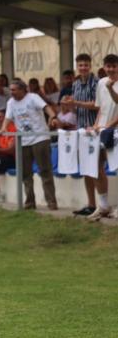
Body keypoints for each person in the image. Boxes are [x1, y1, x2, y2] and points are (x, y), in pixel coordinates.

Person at [0, 78, 59, 210]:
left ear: (22, 89)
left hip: (40, 138)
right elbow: (8, 118)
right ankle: (30, 202)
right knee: (25, 173)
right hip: (23, 140)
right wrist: (4, 127)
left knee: (45, 171)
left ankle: (51, 202)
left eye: (14, 90)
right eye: (10, 90)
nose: (12, 92)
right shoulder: (10, 102)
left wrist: (52, 116)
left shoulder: (32, 97)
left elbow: (46, 107)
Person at [61, 54, 99, 216]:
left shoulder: (97, 83)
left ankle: (101, 204)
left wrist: (75, 103)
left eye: (85, 65)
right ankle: (91, 204)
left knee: (97, 169)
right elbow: (76, 109)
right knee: (85, 169)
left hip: (95, 130)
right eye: (80, 65)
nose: (83, 67)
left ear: (90, 66)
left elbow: (98, 105)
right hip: (81, 130)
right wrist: (68, 105)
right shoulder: (75, 84)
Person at [85, 54, 118, 221]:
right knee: (96, 165)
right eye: (108, 66)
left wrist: (109, 127)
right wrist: (96, 125)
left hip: (115, 132)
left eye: (114, 66)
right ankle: (104, 205)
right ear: (104, 67)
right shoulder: (101, 82)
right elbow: (100, 108)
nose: (111, 69)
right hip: (101, 131)